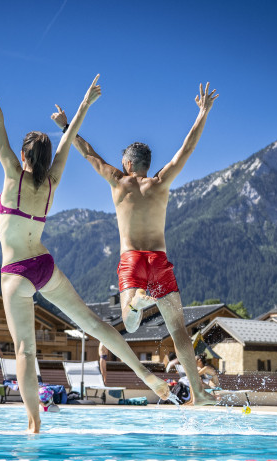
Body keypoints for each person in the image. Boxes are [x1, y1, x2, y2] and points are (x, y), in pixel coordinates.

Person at [0, 48, 171, 433]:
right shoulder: (51, 180)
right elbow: (69, 138)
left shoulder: (13, 176)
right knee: (95, 324)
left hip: (15, 273)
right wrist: (85, 103)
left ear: (24, 156)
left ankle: (33, 423)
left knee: (26, 351)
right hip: (44, 264)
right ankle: (143, 375)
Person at [50, 83, 219, 406]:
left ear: (127, 164)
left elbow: (87, 152)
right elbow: (187, 149)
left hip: (132, 260)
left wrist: (64, 124)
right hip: (159, 260)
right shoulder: (161, 182)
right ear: (146, 163)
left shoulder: (118, 180)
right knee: (178, 330)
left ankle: (137, 304)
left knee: (128, 322)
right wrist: (203, 111)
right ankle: (198, 392)